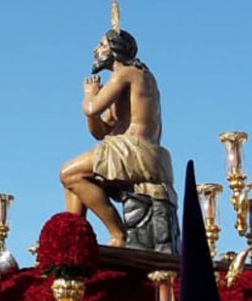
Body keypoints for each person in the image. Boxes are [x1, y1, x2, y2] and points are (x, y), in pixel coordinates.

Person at [59, 9, 172, 252]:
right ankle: (74, 240)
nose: (96, 50)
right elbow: (100, 131)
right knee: (75, 180)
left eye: (101, 45)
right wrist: (95, 108)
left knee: (68, 173)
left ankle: (118, 234)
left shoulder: (128, 74)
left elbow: (90, 108)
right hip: (126, 149)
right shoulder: (124, 80)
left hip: (135, 150)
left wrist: (90, 96)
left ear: (115, 49)